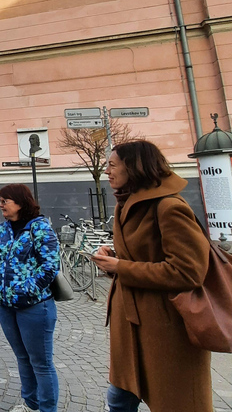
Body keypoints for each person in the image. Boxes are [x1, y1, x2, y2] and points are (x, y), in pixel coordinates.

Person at [92, 140, 212, 412]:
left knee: (175, 403)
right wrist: (114, 257)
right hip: (130, 325)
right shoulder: (125, 204)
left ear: (133, 167)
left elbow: (189, 271)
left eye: (112, 165)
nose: (107, 171)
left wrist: (120, 267)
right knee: (119, 400)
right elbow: (142, 256)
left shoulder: (169, 207)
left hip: (165, 329)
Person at [0, 184, 60, 412]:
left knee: (41, 363)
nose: (0, 205)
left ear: (20, 202)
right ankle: (31, 404)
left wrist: (25, 290)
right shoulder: (1, 230)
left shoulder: (40, 229)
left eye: (4, 200)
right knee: (22, 357)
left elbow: (50, 267)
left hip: (34, 307)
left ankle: (48, 409)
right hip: (5, 306)